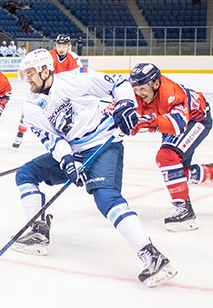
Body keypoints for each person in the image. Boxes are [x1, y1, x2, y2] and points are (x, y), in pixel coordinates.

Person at [14, 49, 176, 287]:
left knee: (105, 196)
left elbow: (118, 83)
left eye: (30, 73)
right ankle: (38, 230)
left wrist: (124, 105)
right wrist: (68, 161)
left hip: (103, 143)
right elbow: (52, 140)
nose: (26, 79)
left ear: (45, 70)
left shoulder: (74, 79)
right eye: (24, 74)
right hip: (74, 152)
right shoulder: (30, 107)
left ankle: (152, 256)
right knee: (26, 174)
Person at [128, 63, 213, 231]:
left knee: (167, 157)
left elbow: (177, 125)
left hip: (196, 120)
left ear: (156, 84)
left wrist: (147, 122)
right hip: (172, 120)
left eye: (142, 89)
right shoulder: (138, 92)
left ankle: (184, 209)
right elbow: (120, 105)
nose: (139, 93)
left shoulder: (172, 93)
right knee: (179, 174)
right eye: (136, 89)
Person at [12, 34, 81, 148]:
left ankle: (68, 137)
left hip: (62, 90)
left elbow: (77, 76)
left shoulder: (74, 58)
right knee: (29, 109)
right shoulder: (48, 55)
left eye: (64, 46)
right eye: (59, 45)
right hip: (44, 87)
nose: (61, 48)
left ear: (69, 46)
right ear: (56, 45)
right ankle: (20, 132)